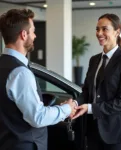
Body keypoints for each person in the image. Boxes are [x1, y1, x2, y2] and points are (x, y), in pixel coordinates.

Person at [0, 9, 76, 150]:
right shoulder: (20, 73)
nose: (34, 36)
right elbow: (37, 117)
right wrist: (66, 109)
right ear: (24, 35)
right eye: (33, 31)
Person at [72, 14, 121, 150]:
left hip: (116, 135)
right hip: (93, 132)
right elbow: (87, 91)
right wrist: (75, 103)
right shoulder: (94, 60)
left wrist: (90, 108)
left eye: (104, 29)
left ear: (117, 31)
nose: (99, 33)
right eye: (97, 29)